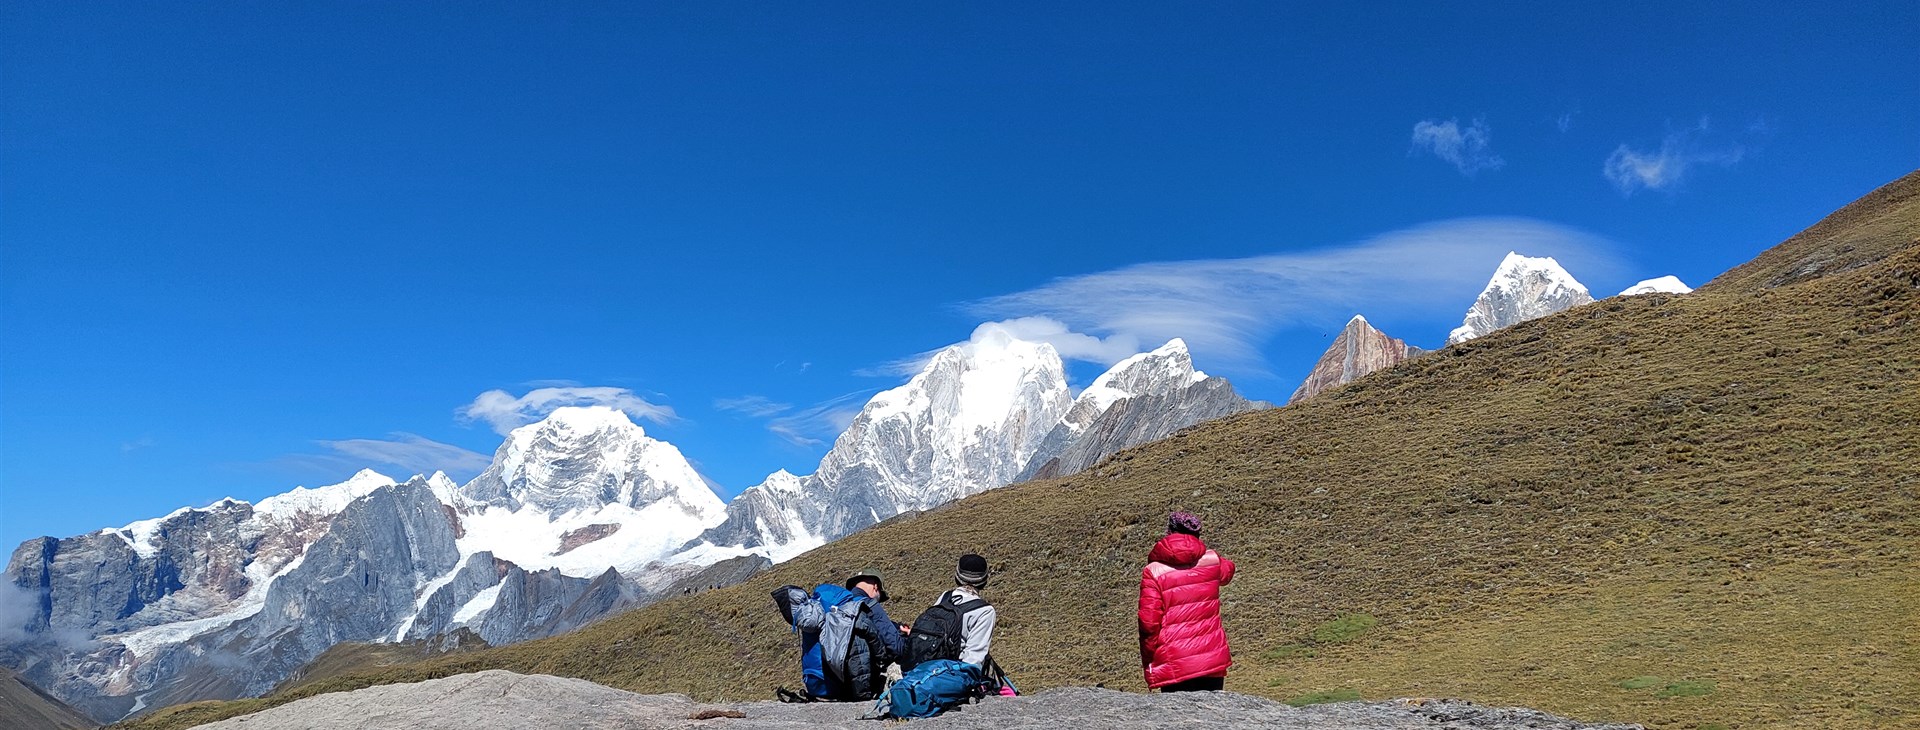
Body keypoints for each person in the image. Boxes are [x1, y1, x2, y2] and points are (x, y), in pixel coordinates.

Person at [1137, 511, 1235, 692]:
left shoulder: (1153, 571)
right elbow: (1228, 570)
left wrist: (1149, 662)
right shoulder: (1212, 561)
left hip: (1174, 662)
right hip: (1210, 660)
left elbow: (1148, 625)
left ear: (1169, 532)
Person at [932, 553, 997, 665]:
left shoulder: (945, 597)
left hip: (928, 664)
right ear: (984, 580)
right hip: (952, 672)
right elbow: (973, 658)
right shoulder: (985, 611)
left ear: (957, 576)